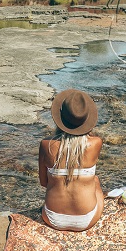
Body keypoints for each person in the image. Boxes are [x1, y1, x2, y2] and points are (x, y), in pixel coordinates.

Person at [38, 88, 104, 232]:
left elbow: (44, 183)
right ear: (86, 120)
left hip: (52, 218)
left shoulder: (46, 144)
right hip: (85, 220)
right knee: (95, 181)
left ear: (60, 118)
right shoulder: (96, 143)